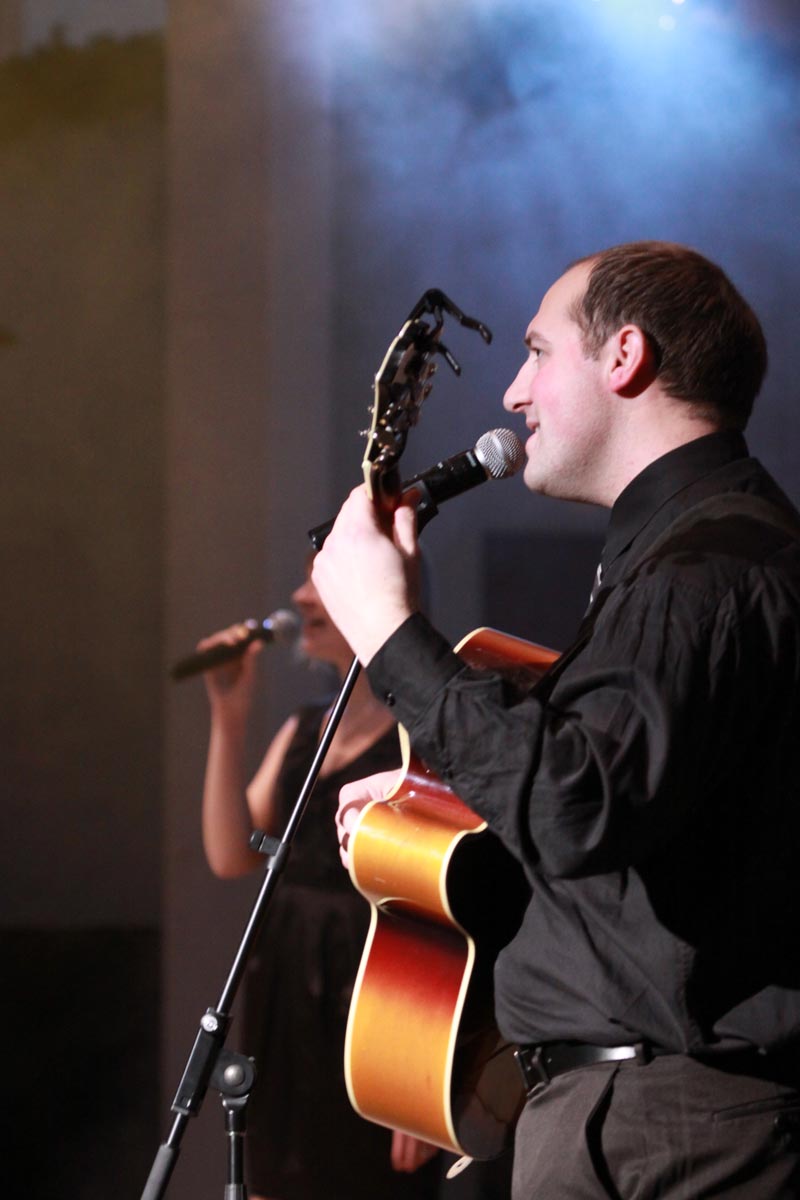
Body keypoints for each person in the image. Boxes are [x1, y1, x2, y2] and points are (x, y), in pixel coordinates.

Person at [312, 241, 800, 1198]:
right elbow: (645, 824)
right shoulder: (702, 555)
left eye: (537, 352)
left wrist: (388, 632)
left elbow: (576, 809)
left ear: (624, 357)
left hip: (667, 1136)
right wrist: (450, 800)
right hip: (652, 1123)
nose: (513, 393)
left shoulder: (704, 570)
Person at [198, 566, 440, 1200]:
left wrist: (420, 1068)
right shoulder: (306, 728)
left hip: (372, 1004)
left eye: (320, 580)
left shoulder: (422, 732)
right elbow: (229, 854)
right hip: (285, 995)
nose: (300, 597)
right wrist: (229, 718)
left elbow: (442, 912)